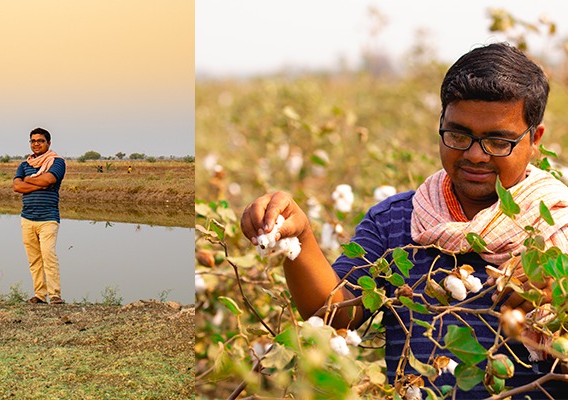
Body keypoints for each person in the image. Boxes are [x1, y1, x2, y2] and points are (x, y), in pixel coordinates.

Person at [241, 43, 568, 396]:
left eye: (498, 141)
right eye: (458, 135)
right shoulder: (397, 219)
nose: (475, 155)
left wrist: (561, 291)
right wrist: (301, 237)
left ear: (534, 139)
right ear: (441, 124)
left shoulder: (557, 226)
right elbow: (335, 314)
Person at [13, 127, 67, 304]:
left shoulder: (57, 162)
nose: (36, 144)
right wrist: (39, 184)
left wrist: (28, 180)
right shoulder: (24, 165)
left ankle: (55, 295)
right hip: (27, 218)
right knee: (34, 259)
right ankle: (39, 295)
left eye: (40, 141)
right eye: (33, 141)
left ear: (48, 143)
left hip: (48, 218)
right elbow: (17, 187)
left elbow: (49, 180)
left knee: (48, 256)